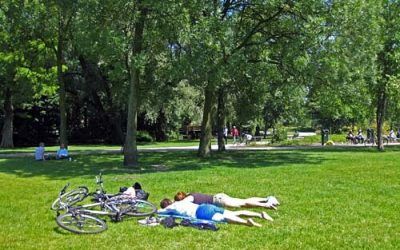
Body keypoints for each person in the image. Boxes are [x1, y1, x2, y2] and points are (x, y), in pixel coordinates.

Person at [158, 198, 273, 227]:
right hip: (206, 206)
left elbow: (159, 212)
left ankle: (245, 223)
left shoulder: (170, 208)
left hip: (201, 213)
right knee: (234, 212)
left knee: (224, 219)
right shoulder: (181, 202)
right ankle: (259, 214)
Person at [174, 192, 279, 209]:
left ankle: (267, 204)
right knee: (243, 200)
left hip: (218, 200)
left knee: (243, 203)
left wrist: (173, 205)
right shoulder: (191, 194)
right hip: (219, 196)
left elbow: (183, 204)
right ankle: (267, 198)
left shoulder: (189, 198)